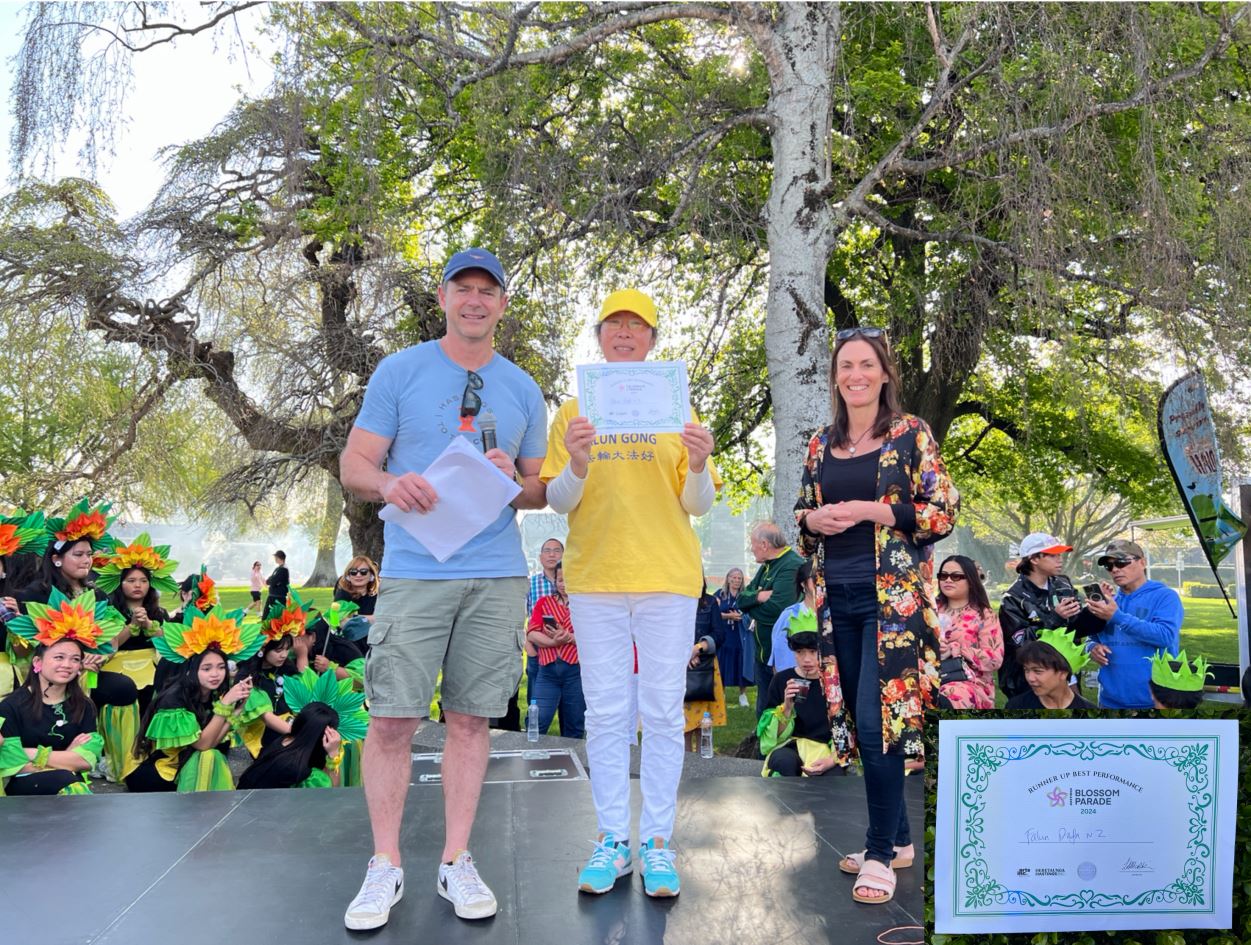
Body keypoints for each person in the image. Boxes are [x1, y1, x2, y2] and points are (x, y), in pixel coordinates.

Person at [338, 247, 547, 928]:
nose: (476, 300)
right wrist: (389, 482)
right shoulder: (399, 371)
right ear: (443, 297)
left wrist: (512, 478)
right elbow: (355, 463)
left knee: (470, 719)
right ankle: (384, 864)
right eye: (465, 288)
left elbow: (537, 485)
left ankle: (456, 858)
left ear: (502, 305)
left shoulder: (522, 387)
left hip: (493, 573)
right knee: (394, 718)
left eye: (489, 290)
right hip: (414, 571)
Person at [541, 287, 718, 899]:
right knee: (608, 712)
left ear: (650, 341)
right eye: (613, 325)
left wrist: (698, 464)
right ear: (598, 337)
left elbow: (696, 503)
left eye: (635, 326)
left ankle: (659, 844)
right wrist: (579, 461)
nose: (624, 334)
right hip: (595, 579)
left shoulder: (678, 409)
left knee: (664, 712)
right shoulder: (571, 413)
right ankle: (614, 839)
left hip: (666, 577)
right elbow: (557, 500)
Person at [793, 326, 958, 905]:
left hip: (894, 606)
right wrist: (812, 523)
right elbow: (803, 512)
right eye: (845, 366)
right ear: (835, 376)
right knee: (866, 729)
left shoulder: (910, 433)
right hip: (838, 603)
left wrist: (873, 510)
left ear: (885, 372)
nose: (855, 375)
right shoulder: (820, 443)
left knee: (877, 724)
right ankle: (903, 841)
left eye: (866, 365)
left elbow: (941, 512)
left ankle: (880, 854)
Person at [16, 501, 141, 783]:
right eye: (79, 554)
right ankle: (68, 757)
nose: (87, 560)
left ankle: (118, 759)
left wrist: (100, 657)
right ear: (58, 559)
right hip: (49, 674)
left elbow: (110, 641)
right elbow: (27, 643)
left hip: (90, 672)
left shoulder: (97, 596)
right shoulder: (36, 593)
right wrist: (72, 661)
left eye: (89, 555)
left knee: (124, 689)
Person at [127, 603, 265, 792]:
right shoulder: (174, 700)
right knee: (208, 756)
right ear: (191, 670)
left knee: (211, 756)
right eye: (207, 668)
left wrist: (237, 710)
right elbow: (203, 744)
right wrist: (225, 705)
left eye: (221, 667)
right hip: (160, 776)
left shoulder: (212, 693)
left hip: (190, 766)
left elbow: (214, 741)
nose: (216, 674)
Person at [0, 588, 122, 795]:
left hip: (67, 781)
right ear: (38, 662)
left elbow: (85, 760)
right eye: (59, 657)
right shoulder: (12, 705)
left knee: (67, 779)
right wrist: (66, 755)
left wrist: (30, 753)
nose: (67, 665)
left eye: (75, 659)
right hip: (25, 785)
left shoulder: (83, 705)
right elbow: (13, 764)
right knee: (67, 778)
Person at [95, 533, 179, 777]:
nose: (137, 585)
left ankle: (153, 749)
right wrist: (131, 626)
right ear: (120, 583)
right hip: (117, 664)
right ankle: (119, 754)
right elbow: (108, 646)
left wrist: (150, 626)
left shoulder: (159, 611)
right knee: (128, 690)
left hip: (151, 662)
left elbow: (170, 643)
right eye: (131, 580)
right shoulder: (110, 610)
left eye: (143, 580)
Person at [1083, 539, 1184, 710]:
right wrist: (1091, 647)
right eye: (1109, 565)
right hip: (1109, 701)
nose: (1115, 569)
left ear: (1142, 562)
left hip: (1155, 702)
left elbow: (1165, 636)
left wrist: (1117, 617)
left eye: (1121, 562)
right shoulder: (1109, 601)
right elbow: (1090, 638)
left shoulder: (1165, 596)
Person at [238, 669, 369, 790]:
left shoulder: (284, 741)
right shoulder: (304, 772)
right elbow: (328, 794)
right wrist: (333, 755)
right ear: (326, 736)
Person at [757, 608, 845, 780]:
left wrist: (831, 760)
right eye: (800, 652)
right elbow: (771, 740)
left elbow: (845, 728)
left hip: (826, 749)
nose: (806, 659)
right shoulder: (782, 680)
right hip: (791, 746)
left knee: (835, 778)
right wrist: (787, 707)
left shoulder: (835, 682)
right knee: (784, 763)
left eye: (813, 652)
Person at [997, 533, 1084, 701]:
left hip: (1066, 671)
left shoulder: (1063, 583)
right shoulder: (1012, 598)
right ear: (1034, 559)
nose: (1060, 559)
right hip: (1028, 680)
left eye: (1060, 554)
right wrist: (1054, 618)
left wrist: (1098, 614)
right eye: (1053, 555)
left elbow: (1077, 628)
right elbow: (1020, 643)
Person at [739, 522, 804, 719]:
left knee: (782, 711)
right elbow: (741, 598)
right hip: (762, 654)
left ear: (765, 544)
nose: (751, 549)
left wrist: (750, 609)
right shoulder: (767, 566)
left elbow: (778, 610)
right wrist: (757, 597)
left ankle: (780, 750)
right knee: (764, 711)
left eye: (753, 544)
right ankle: (763, 749)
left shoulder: (791, 564)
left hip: (781, 658)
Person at [934, 555, 1003, 710]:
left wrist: (957, 650)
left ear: (971, 581)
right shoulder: (929, 610)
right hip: (930, 674)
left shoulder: (984, 615)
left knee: (949, 695)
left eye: (956, 576)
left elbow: (995, 659)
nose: (948, 580)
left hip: (969, 682)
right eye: (943, 576)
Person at [526, 562, 585, 738]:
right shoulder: (544, 603)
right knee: (537, 720)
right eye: (560, 579)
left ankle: (574, 761)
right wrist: (554, 642)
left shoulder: (585, 606)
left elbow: (595, 639)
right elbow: (532, 633)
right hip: (547, 671)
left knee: (574, 723)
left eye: (568, 579)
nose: (563, 583)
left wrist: (570, 638)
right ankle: (530, 758)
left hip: (576, 671)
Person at [1003, 628, 1097, 710]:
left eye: (1038, 671)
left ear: (1063, 673)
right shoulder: (1016, 707)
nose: (1030, 678)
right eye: (1026, 670)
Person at [682, 583, 724, 752]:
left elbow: (720, 634)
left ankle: (703, 764)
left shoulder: (709, 602)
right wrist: (684, 654)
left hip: (704, 666)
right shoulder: (672, 602)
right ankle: (683, 766)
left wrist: (697, 648)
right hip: (678, 666)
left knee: (703, 724)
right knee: (681, 724)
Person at [768, 558, 818, 676]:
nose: (820, 582)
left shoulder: (835, 614)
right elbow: (780, 659)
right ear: (803, 584)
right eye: (815, 578)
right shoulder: (789, 616)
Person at [712, 567, 749, 707]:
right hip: (725, 635)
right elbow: (714, 614)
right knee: (723, 664)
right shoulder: (719, 595)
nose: (736, 580)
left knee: (741, 663)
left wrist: (742, 617)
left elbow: (751, 612)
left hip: (740, 635)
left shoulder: (745, 596)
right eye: (734, 577)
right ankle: (722, 694)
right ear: (728, 579)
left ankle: (742, 694)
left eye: (739, 578)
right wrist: (729, 616)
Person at [334, 555, 380, 645]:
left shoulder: (377, 596)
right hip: (348, 643)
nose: (358, 575)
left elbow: (383, 619)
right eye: (353, 572)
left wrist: (354, 618)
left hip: (374, 642)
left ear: (371, 575)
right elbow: (336, 619)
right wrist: (370, 619)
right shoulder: (342, 594)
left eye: (363, 572)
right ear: (348, 576)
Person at [264, 550, 290, 618]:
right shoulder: (278, 568)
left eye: (276, 558)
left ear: (279, 558)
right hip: (273, 595)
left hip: (278, 596)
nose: (275, 559)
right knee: (267, 616)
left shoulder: (283, 569)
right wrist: (269, 581)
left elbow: (273, 581)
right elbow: (271, 578)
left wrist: (270, 581)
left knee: (275, 616)